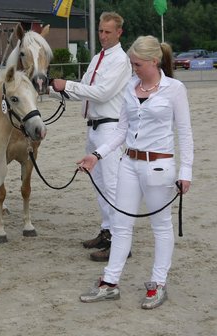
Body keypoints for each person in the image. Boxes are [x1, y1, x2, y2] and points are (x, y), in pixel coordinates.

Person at [77, 35, 193, 309]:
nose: (133, 69)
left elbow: (185, 133)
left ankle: (158, 284)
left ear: (154, 61)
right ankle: (110, 282)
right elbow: (121, 131)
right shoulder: (131, 87)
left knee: (161, 226)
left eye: (137, 64)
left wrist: (185, 171)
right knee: (120, 224)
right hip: (128, 162)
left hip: (159, 166)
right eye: (132, 64)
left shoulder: (174, 89)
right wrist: (96, 155)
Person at [49, 12, 132, 261]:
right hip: (94, 126)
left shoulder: (121, 60)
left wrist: (68, 85)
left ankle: (121, 242)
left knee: (113, 185)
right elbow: (82, 93)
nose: (103, 36)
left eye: (108, 31)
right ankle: (107, 231)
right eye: (100, 31)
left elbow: (102, 92)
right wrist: (51, 89)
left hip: (111, 127)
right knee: (99, 184)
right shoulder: (97, 58)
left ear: (119, 33)